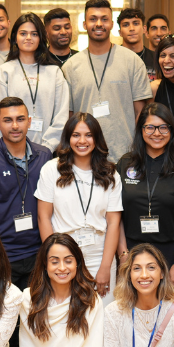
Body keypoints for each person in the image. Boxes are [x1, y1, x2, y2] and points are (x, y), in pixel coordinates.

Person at [35, 112, 122, 299]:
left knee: (101, 320)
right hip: (63, 255)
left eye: (88, 135)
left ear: (97, 138)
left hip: (100, 255)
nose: (82, 141)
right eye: (76, 135)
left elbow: (114, 223)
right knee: (67, 320)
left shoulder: (110, 173)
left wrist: (105, 267)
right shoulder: (52, 169)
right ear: (67, 138)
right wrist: (55, 260)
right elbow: (44, 217)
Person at [0, 97, 54, 288]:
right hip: (4, 256)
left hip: (39, 253)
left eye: (20, 119)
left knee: (37, 314)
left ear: (29, 121)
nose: (15, 126)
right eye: (8, 120)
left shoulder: (45, 157)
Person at [116, 104, 174, 289]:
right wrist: (123, 257)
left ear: (171, 130)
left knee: (170, 313)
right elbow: (117, 216)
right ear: (141, 130)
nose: (157, 133)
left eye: (163, 127)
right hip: (132, 253)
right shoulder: (125, 164)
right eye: (150, 127)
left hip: (170, 253)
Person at [61, 0, 150, 162]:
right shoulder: (70, 67)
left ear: (111, 24)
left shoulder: (132, 61)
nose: (99, 24)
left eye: (104, 19)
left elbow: (141, 113)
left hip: (125, 156)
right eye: (93, 19)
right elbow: (69, 117)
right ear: (84, 24)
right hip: (84, 156)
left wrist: (138, 150)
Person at [0, 12, 70, 149]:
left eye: (34, 34)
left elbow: (61, 116)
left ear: (41, 38)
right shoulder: (3, 72)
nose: (29, 38)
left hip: (48, 152)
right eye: (23, 33)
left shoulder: (54, 73)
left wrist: (46, 149)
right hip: (12, 152)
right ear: (15, 38)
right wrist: (14, 148)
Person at [117, 8, 154, 78]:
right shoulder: (112, 59)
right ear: (120, 32)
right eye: (126, 25)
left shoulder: (156, 59)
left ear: (144, 29)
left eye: (136, 24)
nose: (131, 28)